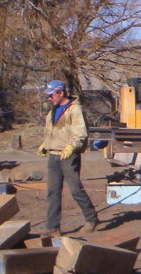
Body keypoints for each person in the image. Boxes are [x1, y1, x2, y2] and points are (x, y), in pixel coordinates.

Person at [37, 80, 99, 237]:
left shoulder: (75, 109)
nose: (49, 98)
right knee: (53, 191)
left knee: (75, 189)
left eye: (51, 95)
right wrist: (45, 144)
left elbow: (80, 133)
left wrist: (71, 147)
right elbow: (50, 131)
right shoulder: (53, 111)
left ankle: (91, 219)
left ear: (61, 93)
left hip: (69, 154)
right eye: (48, 96)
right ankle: (53, 227)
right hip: (54, 155)